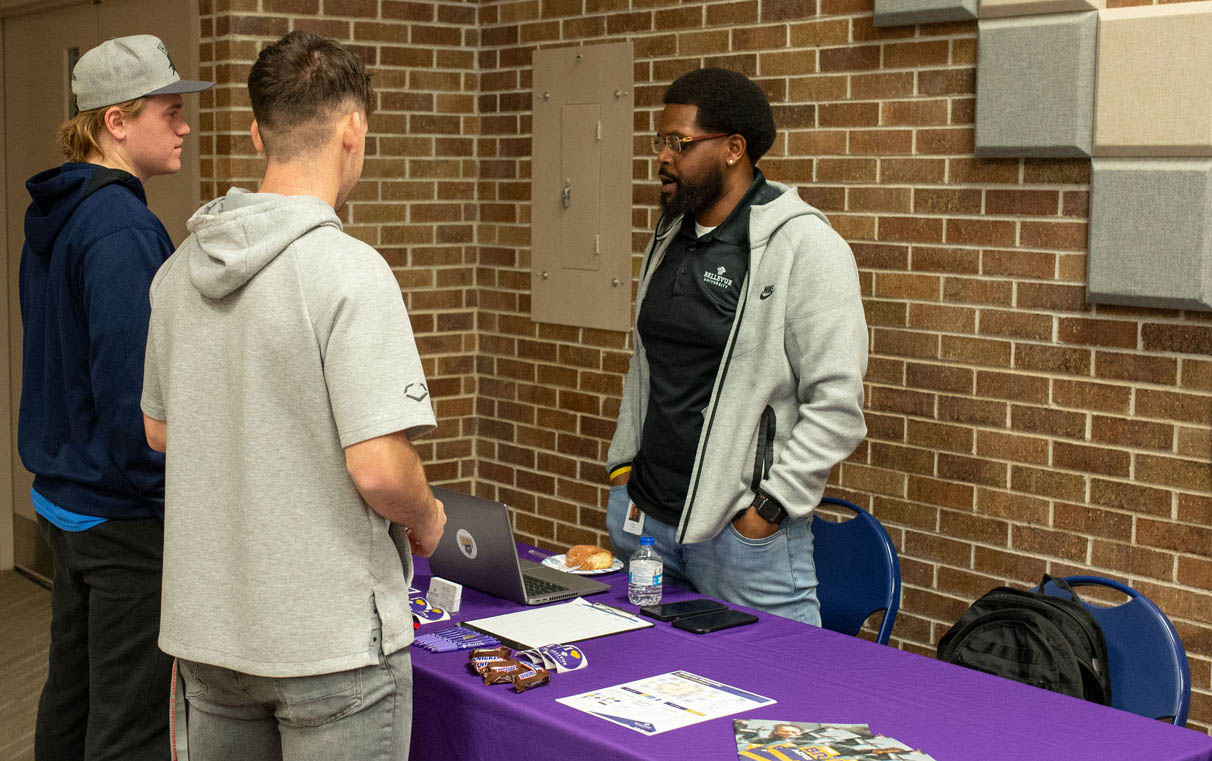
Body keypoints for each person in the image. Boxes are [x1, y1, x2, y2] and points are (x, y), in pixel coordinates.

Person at [140, 31, 445, 760]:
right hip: (329, 644)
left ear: (257, 132)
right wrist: (429, 516)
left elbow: (159, 430)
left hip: (210, 634)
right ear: (353, 129)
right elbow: (377, 467)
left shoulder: (179, 270)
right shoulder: (349, 271)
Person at [606, 68, 867, 625]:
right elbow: (647, 366)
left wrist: (768, 509)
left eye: (679, 142)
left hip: (741, 539)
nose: (662, 157)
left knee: (779, 700)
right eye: (660, 141)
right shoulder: (670, 234)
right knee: (649, 693)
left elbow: (838, 407)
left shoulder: (805, 246)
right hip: (647, 523)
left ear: (733, 149)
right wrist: (624, 474)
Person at [18, 34, 211, 761]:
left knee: (72, 694)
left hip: (66, 500)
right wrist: (172, 505)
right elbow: (136, 397)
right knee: (131, 722)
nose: (184, 124)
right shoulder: (122, 227)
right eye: (169, 109)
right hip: (123, 512)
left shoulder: (60, 214)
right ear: (116, 122)